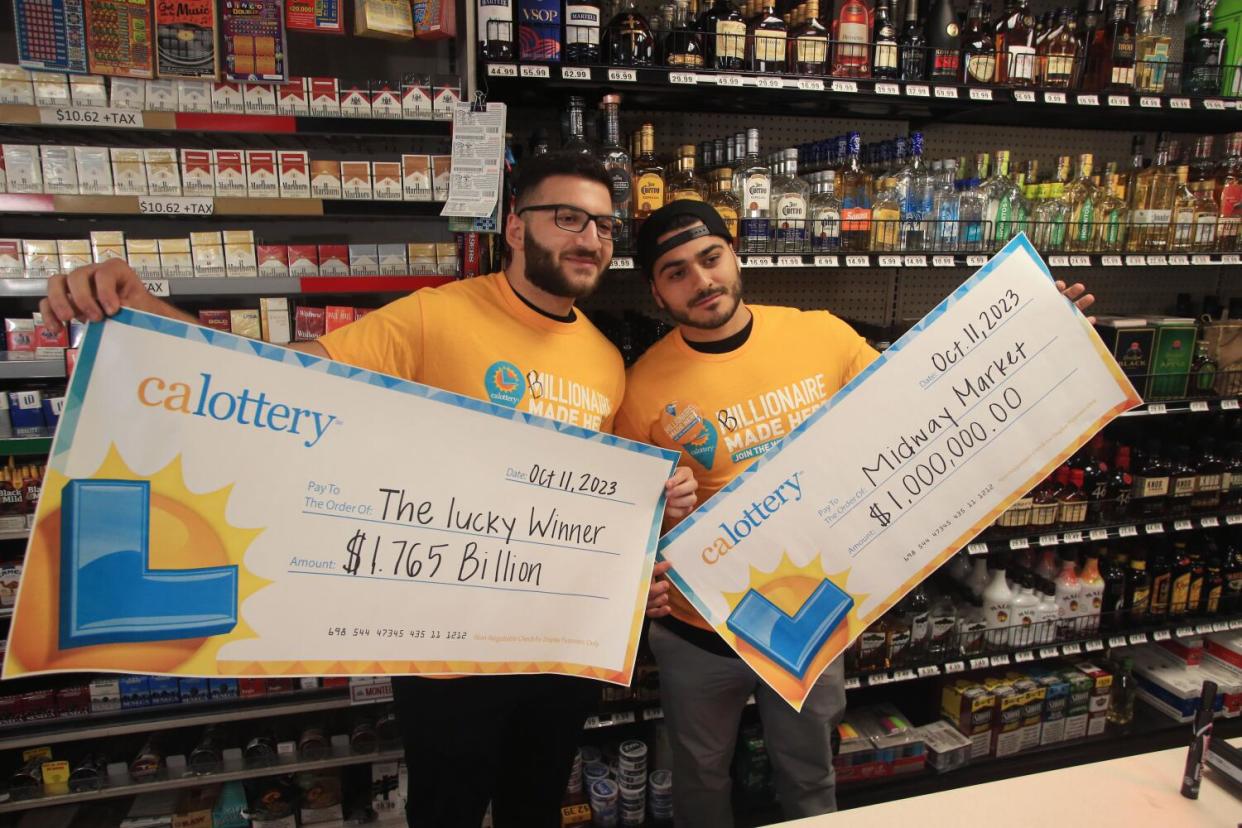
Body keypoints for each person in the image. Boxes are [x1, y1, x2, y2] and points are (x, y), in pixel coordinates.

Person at [38, 152, 697, 828]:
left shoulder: (604, 360)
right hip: (448, 650)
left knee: (537, 805)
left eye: (604, 226)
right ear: (516, 229)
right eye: (568, 218)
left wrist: (658, 501)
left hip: (561, 645)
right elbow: (273, 382)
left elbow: (603, 503)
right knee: (448, 808)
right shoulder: (433, 317)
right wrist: (141, 307)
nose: (590, 238)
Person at [614, 200, 1095, 828]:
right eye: (676, 272)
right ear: (655, 291)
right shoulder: (640, 386)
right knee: (699, 778)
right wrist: (658, 509)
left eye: (710, 259)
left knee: (809, 770)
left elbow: (927, 405)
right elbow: (625, 520)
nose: (701, 281)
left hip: (810, 615)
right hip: (696, 630)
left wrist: (1038, 336)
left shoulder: (821, 335)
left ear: (735, 254)